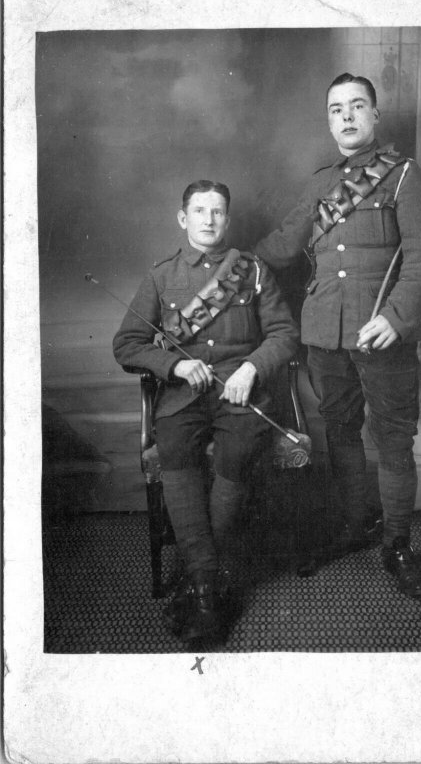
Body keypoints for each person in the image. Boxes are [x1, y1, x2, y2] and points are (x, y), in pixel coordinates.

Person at [254, 73, 421, 598]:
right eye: (337, 109)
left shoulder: (405, 178)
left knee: (393, 442)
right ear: (329, 119)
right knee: (340, 436)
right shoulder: (320, 183)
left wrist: (397, 317)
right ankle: (355, 524)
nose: (347, 116)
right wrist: (227, 268)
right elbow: (281, 246)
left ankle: (398, 544)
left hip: (382, 339)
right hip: (324, 337)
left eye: (357, 106)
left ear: (375, 116)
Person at [113, 180, 299, 646]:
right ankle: (209, 581)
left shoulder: (253, 272)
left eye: (217, 212)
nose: (209, 220)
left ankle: (201, 583)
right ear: (183, 219)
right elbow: (126, 344)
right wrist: (174, 363)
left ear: (227, 220)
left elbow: (283, 335)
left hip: (240, 395)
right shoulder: (161, 276)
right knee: (175, 450)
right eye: (199, 211)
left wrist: (252, 368)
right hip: (182, 396)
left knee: (236, 456)